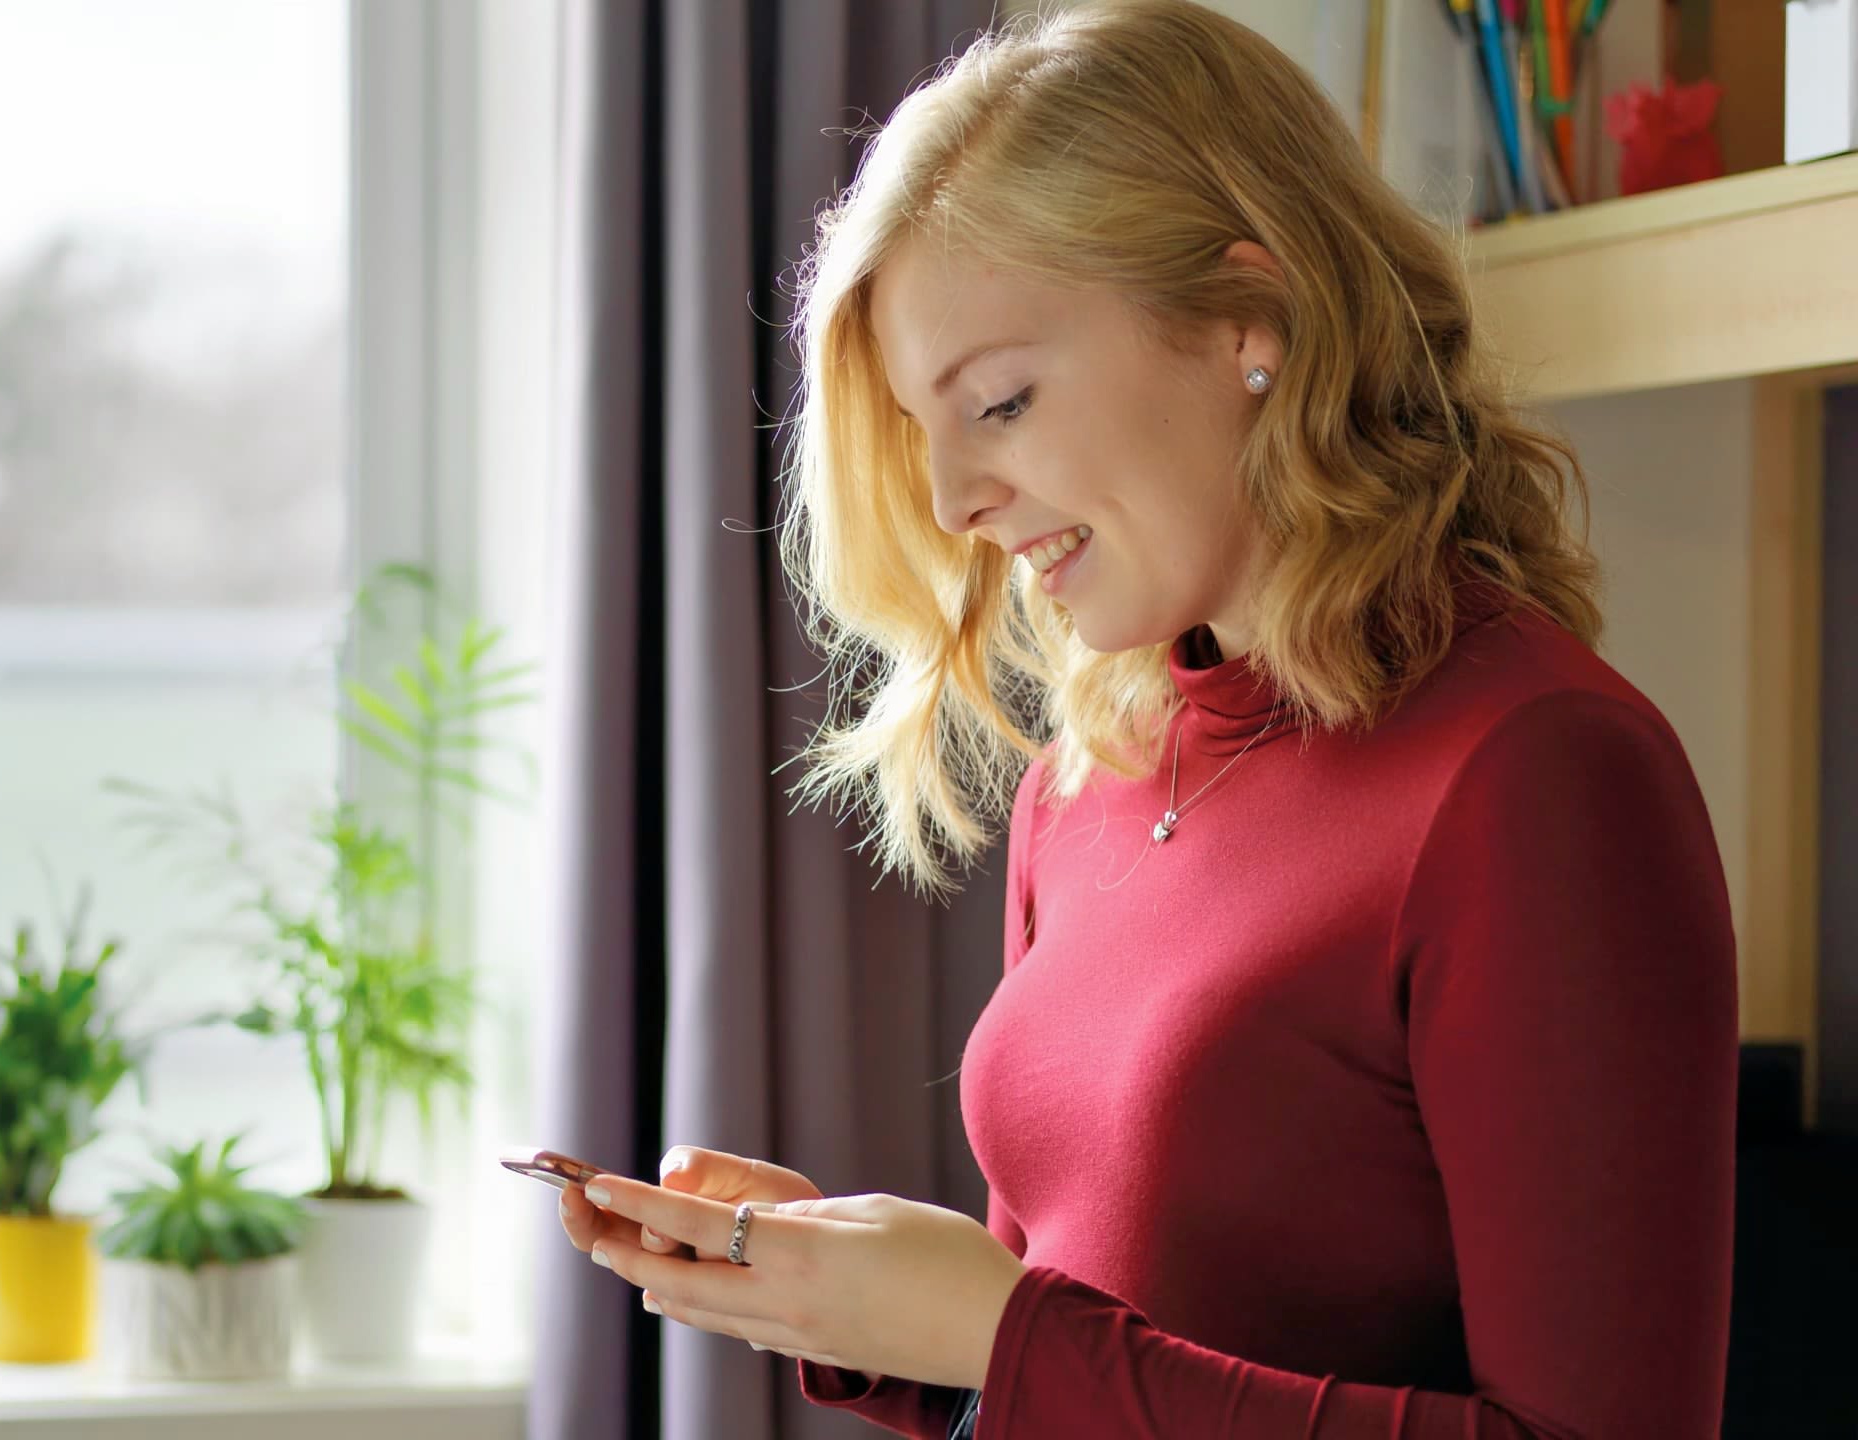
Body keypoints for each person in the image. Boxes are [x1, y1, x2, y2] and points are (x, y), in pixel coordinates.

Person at [557, 2, 1737, 1436]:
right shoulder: (1088, 782)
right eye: (923, 434)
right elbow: (1087, 1370)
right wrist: (867, 1307)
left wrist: (994, 1328)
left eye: (997, 402)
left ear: (1250, 321)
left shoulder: (1538, 774)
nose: (949, 505)